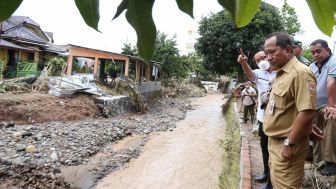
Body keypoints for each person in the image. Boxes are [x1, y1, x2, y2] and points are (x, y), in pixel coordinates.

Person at [263, 32, 317, 188]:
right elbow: (291, 108)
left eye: (272, 52)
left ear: (288, 49)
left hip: (287, 144)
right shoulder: (281, 73)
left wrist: (290, 143)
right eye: (266, 53)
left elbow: (307, 112)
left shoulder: (301, 73)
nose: (268, 57)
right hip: (275, 143)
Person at [237, 50, 276, 189]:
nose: (262, 61)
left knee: (274, 151)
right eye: (258, 60)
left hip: (277, 119)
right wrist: (244, 63)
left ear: (270, 56)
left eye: (264, 57)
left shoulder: (280, 72)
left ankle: (272, 182)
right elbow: (249, 74)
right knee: (264, 147)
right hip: (262, 118)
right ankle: (266, 173)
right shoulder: (259, 73)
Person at [309, 39, 336, 175]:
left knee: (331, 118)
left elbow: (331, 83)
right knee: (315, 130)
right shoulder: (311, 67)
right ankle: (318, 161)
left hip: (330, 103)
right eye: (313, 52)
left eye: (318, 51)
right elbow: (309, 87)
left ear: (327, 50)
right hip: (315, 104)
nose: (315, 55)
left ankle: (331, 162)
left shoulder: (334, 61)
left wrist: (332, 106)